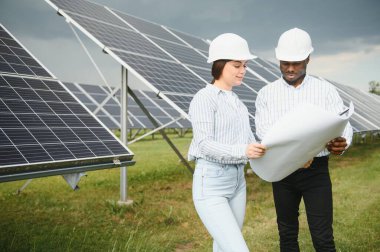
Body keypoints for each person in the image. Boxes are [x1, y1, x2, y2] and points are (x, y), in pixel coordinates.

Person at [255, 27, 353, 252]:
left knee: (323, 236)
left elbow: (343, 124)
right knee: (287, 234)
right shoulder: (266, 94)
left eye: (297, 62)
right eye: (285, 62)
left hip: (316, 173)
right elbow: (265, 132)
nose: (290, 68)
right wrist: (298, 156)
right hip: (283, 172)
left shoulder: (325, 91)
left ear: (308, 58)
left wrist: (342, 143)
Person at [188, 33, 267, 252]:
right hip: (211, 183)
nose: (242, 70)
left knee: (223, 247)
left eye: (245, 65)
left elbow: (250, 142)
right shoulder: (204, 98)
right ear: (220, 65)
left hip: (238, 182)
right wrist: (244, 150)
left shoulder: (238, 103)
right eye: (236, 65)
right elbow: (204, 144)